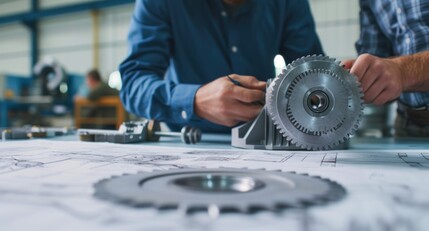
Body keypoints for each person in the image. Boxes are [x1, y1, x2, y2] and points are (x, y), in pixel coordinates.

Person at [119, 0, 323, 133]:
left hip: (263, 141)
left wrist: (327, 88)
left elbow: (313, 78)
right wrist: (193, 101)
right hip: (187, 142)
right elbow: (132, 84)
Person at [343, 0, 429, 136]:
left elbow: (396, 71)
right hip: (408, 125)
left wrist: (402, 72)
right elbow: (376, 60)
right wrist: (364, 78)